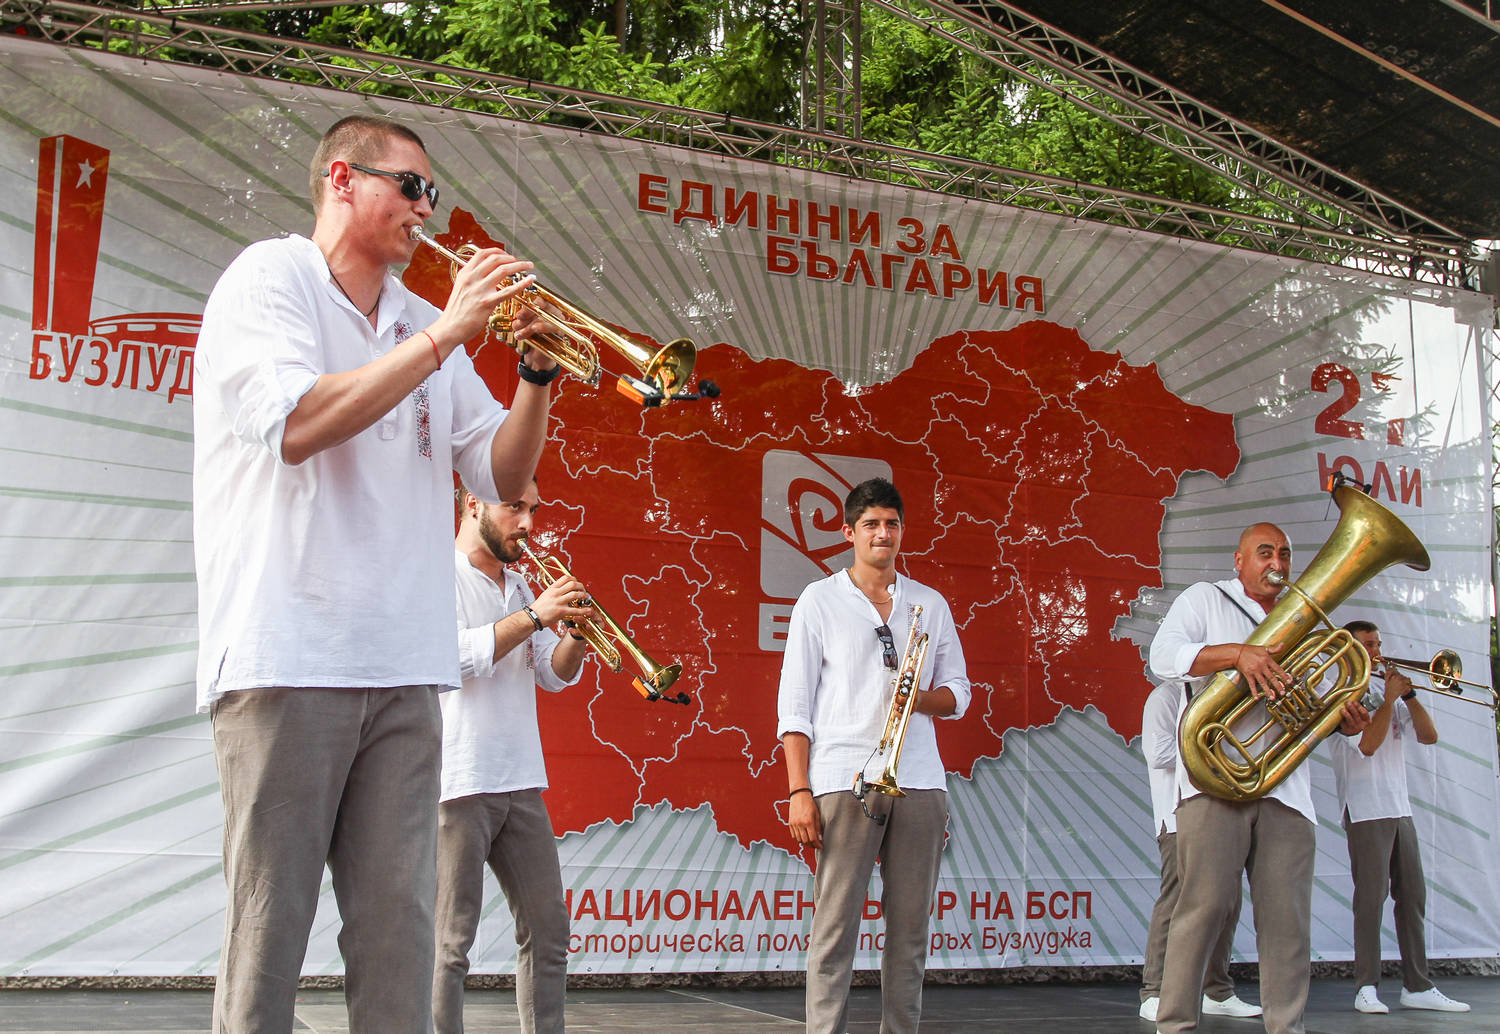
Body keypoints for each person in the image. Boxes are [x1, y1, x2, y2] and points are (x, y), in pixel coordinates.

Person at [193, 114, 562, 1034]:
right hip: (288, 656)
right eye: (411, 186)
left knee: (400, 938)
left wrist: (535, 375)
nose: (427, 209)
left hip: (404, 667)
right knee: (268, 934)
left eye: (432, 192)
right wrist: (448, 337)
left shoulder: (421, 322)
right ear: (342, 179)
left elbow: (501, 475)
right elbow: (297, 424)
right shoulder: (271, 278)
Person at [1148, 522, 1370, 1034]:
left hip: (1286, 791)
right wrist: (1237, 653)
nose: (1278, 563)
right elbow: (1163, 657)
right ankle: (1174, 1024)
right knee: (1201, 909)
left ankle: (1286, 1027)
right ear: (1239, 560)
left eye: (1285, 554)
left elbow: (1310, 705)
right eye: (1265, 552)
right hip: (1212, 783)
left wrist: (1340, 717)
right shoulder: (1206, 599)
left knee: (1287, 922)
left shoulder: (1309, 620)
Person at [776, 477, 971, 1034]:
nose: (882, 533)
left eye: (891, 523)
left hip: (919, 779)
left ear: (901, 531)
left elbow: (959, 693)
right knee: (835, 924)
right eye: (870, 524)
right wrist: (799, 791)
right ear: (848, 533)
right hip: (845, 778)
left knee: (910, 928)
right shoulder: (819, 599)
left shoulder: (930, 603)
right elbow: (794, 706)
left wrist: (915, 697)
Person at [432, 482, 593, 1034]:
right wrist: (534, 616)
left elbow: (552, 674)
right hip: (459, 780)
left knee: (549, 933)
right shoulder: (437, 573)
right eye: (515, 508)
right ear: (473, 503)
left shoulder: (520, 583)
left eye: (533, 510)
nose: (527, 522)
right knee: (450, 942)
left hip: (521, 778)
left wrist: (576, 634)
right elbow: (449, 659)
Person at [1329, 620, 1469, 1015]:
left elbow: (1429, 735)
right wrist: (1389, 700)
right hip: (1365, 808)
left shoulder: (1383, 689)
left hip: (1399, 807)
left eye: (1378, 643)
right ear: (1348, 649)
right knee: (1370, 902)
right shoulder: (1339, 694)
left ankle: (1418, 986)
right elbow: (1367, 746)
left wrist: (1409, 696)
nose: (1377, 651)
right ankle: (1366, 987)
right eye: (1368, 644)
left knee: (1412, 897)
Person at [1138, 682, 1260, 1022]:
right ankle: (1154, 991)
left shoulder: (1223, 693)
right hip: (1178, 816)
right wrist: (1212, 742)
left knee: (1227, 903)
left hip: (1223, 814)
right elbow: (1157, 754)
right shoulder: (1165, 697)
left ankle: (1216, 991)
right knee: (1176, 900)